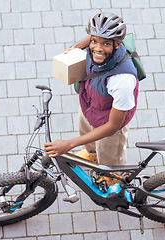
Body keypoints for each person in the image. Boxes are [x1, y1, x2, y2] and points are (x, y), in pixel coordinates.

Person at [44, 12, 138, 170]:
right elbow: (94, 38)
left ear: (117, 44)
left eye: (106, 44)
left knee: (110, 160)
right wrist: (76, 47)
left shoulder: (122, 81)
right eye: (94, 41)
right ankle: (92, 153)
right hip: (91, 106)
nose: (97, 49)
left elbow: (113, 126)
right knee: (87, 133)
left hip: (110, 124)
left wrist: (70, 144)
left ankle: (113, 181)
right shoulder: (97, 46)